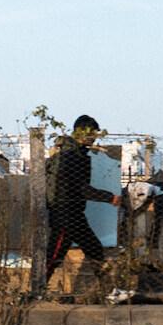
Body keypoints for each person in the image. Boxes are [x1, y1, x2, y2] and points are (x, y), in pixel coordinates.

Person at [44, 115, 122, 281]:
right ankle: (36, 288)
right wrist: (109, 197)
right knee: (54, 256)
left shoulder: (77, 154)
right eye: (92, 133)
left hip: (74, 214)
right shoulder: (70, 156)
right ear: (82, 132)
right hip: (64, 214)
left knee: (94, 249)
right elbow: (80, 188)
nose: (94, 137)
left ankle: (108, 289)